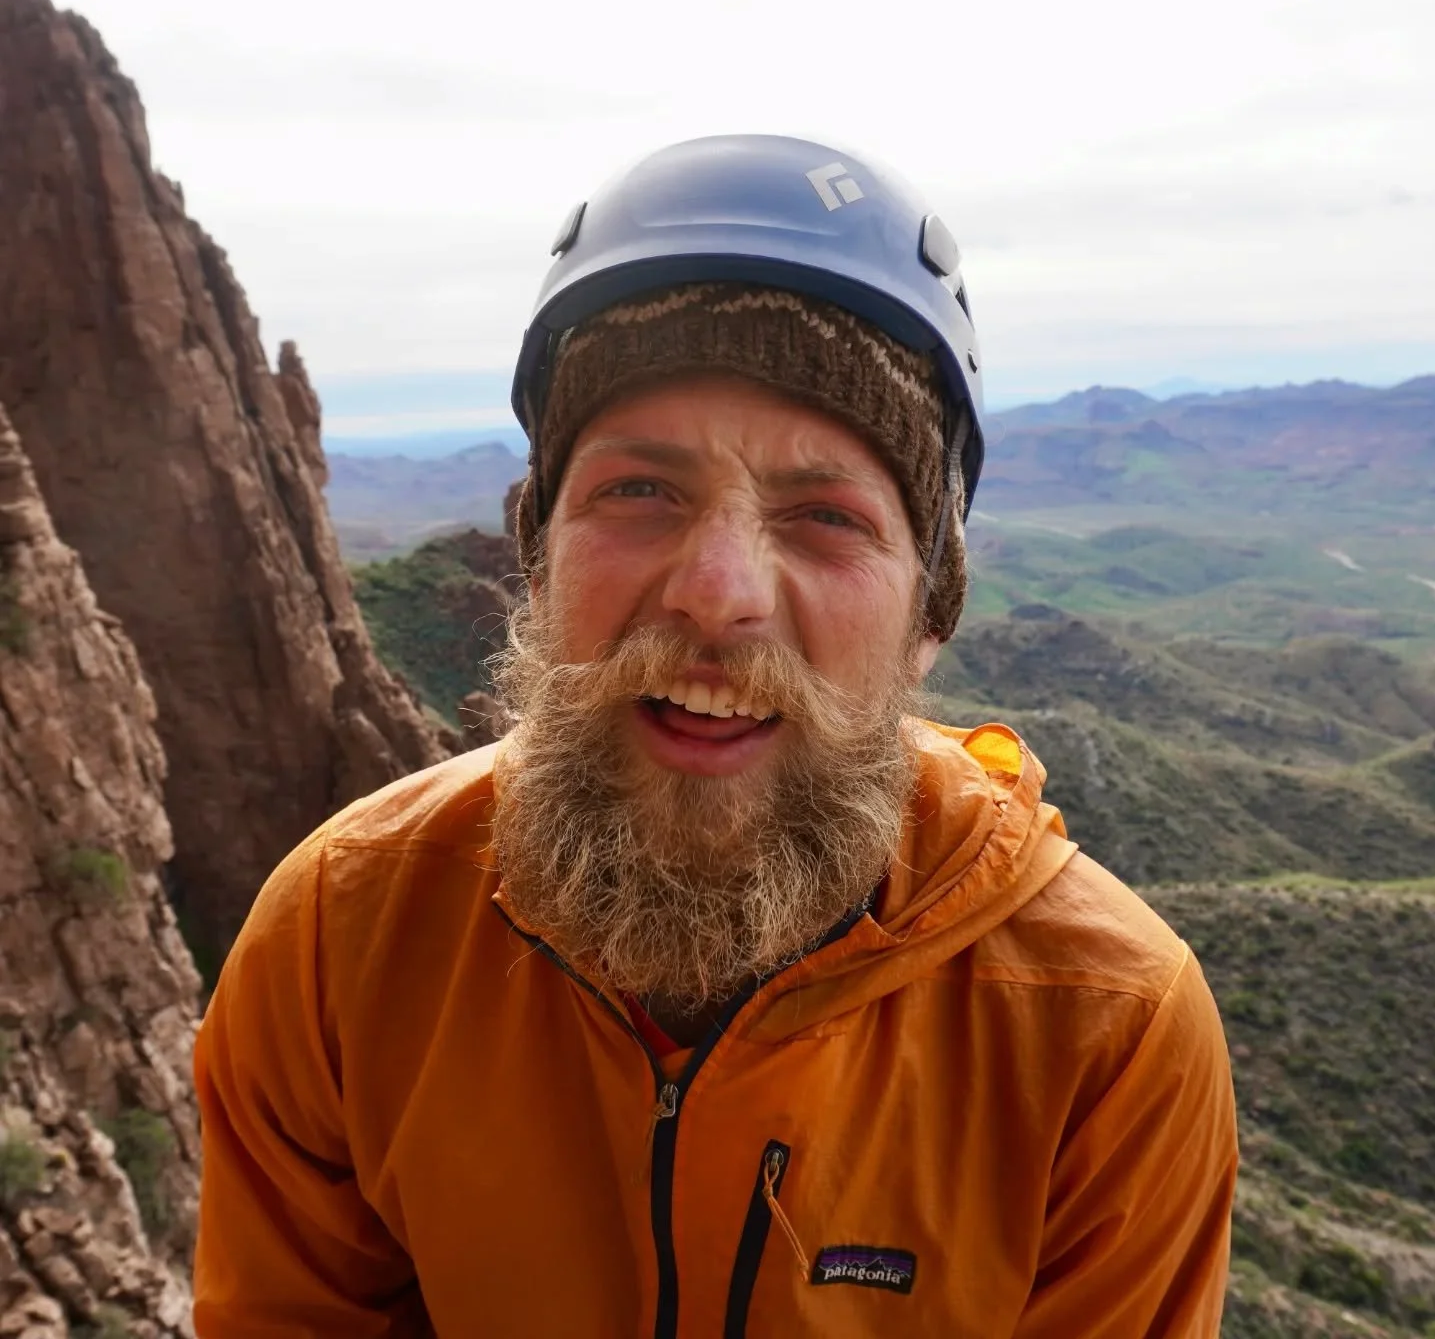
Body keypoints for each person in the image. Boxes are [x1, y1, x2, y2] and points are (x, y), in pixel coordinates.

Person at [192, 134, 1238, 1337]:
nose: (718, 589)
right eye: (639, 491)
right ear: (537, 556)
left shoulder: (1103, 1025)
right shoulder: (343, 937)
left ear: (926, 613)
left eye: (826, 516)